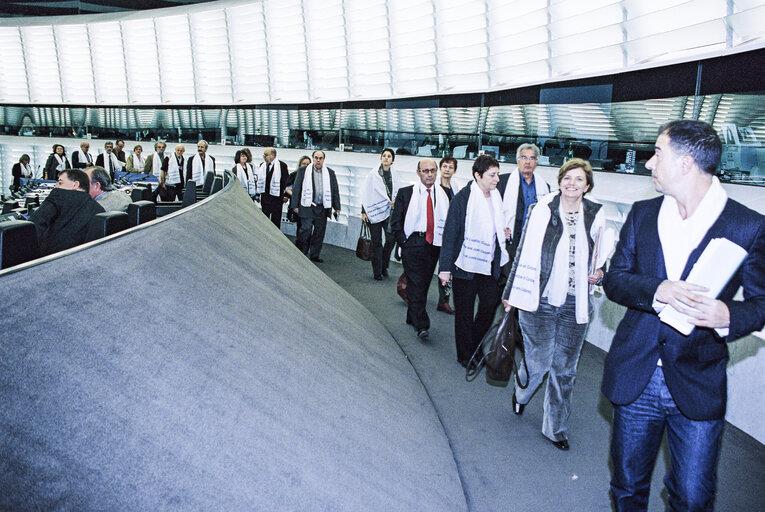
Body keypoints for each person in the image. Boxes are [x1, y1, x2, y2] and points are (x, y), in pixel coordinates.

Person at [601, 120, 765, 511]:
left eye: (658, 153)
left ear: (686, 163)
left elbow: (760, 303)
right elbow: (615, 280)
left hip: (697, 380)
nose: (648, 164)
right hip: (635, 374)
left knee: (693, 497)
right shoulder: (642, 215)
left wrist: (727, 313)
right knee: (627, 487)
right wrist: (658, 290)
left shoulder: (748, 225)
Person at [501, 158, 607, 451]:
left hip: (577, 303)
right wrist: (510, 292)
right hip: (540, 300)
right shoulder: (540, 210)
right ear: (560, 180)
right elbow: (522, 251)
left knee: (564, 369)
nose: (572, 184)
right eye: (568, 178)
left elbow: (602, 255)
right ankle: (521, 394)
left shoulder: (596, 214)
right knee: (539, 362)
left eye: (579, 180)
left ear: (587, 186)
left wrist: (600, 273)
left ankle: (555, 428)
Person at [438, 155, 509, 365]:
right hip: (465, 266)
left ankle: (475, 345)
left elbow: (494, 227)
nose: (497, 179)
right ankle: (465, 355)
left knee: (488, 308)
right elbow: (450, 234)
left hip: (488, 266)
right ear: (478, 176)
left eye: (497, 174)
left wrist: (503, 233)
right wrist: (444, 268)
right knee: (465, 313)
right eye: (492, 175)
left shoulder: (497, 196)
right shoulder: (463, 199)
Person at [391, 158, 449, 339]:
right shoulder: (406, 193)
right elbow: (396, 222)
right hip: (413, 243)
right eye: (426, 171)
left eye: (433, 170)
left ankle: (411, 315)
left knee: (422, 284)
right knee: (416, 283)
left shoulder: (444, 194)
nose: (430, 174)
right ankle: (422, 325)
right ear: (418, 173)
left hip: (434, 244)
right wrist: (404, 243)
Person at [28, 168, 105, 256]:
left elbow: (31, 228)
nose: (56, 186)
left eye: (60, 183)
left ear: (75, 184)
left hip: (49, 261)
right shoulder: (99, 209)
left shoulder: (58, 195)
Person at [499, 143, 551, 260]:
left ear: (536, 162)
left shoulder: (544, 186)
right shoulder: (503, 182)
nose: (527, 162)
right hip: (509, 241)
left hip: (532, 243)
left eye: (532, 158)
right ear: (518, 160)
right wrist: (499, 228)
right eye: (524, 157)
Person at [289, 150, 341, 262]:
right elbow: (297, 187)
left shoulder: (330, 173)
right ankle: (301, 252)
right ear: (313, 158)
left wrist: (337, 206)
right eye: (316, 158)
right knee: (305, 230)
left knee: (319, 232)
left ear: (323, 160)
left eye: (320, 158)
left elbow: (335, 190)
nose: (318, 160)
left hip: (322, 207)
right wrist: (294, 205)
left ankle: (314, 255)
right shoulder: (303, 171)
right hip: (307, 206)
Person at [361, 148, 399, 280]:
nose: (386, 158)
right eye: (384, 156)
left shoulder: (395, 175)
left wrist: (395, 201)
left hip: (388, 212)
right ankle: (377, 271)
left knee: (390, 239)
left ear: (392, 160)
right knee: (377, 242)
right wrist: (364, 211)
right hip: (374, 211)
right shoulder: (373, 174)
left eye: (389, 156)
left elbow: (397, 192)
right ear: (381, 158)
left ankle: (384, 265)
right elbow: (366, 193)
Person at [436, 156, 459, 313]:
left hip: (448, 234)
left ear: (454, 171)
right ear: (440, 168)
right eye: (445, 166)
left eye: (450, 167)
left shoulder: (455, 188)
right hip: (434, 233)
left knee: (446, 268)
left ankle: (443, 301)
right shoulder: (433, 186)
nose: (447, 169)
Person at [257, 147, 290, 227]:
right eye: (263, 155)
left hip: (277, 198)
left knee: (276, 220)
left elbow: (286, 181)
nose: (264, 157)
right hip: (265, 197)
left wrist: (286, 195)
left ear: (273, 155)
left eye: (266, 155)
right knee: (264, 220)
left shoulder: (282, 166)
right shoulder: (262, 165)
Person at [285, 155, 311, 226]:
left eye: (308, 164)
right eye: (304, 164)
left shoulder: (312, 176)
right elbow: (288, 189)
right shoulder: (294, 175)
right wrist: (296, 195)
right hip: (297, 204)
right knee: (300, 225)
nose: (306, 166)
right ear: (300, 164)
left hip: (308, 204)